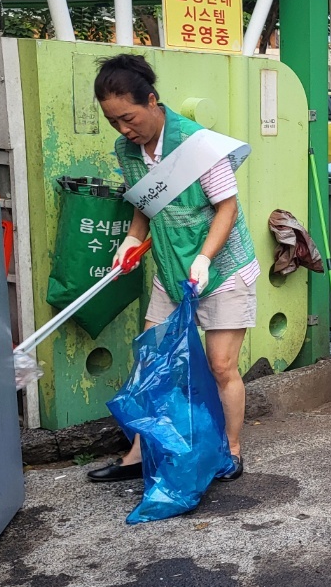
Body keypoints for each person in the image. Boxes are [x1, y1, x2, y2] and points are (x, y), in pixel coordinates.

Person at [86, 54, 258, 484]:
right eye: (113, 122)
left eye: (128, 117)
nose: (124, 129)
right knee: (153, 362)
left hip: (222, 268)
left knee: (221, 366)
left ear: (152, 100)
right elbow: (146, 202)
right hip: (169, 266)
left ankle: (231, 450)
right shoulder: (127, 150)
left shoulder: (197, 143)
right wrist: (131, 239)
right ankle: (139, 454)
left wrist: (204, 258)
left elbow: (227, 206)